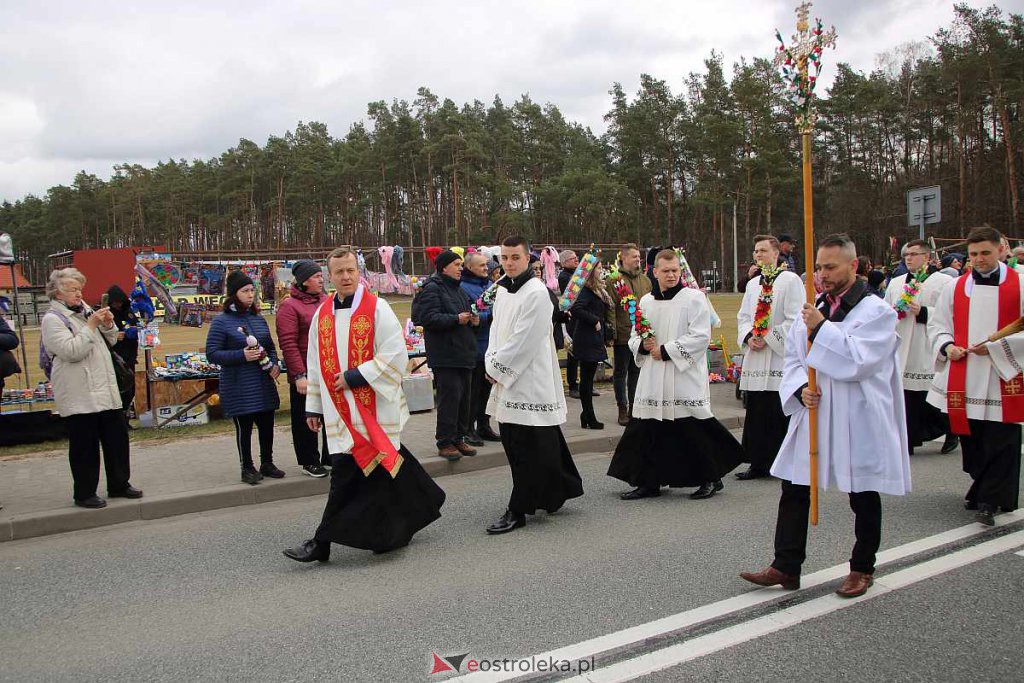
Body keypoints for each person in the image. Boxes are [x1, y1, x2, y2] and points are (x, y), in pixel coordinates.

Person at [740, 234, 910, 599]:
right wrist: (800, 387)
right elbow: (794, 359)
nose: (822, 274)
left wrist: (820, 328)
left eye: (830, 267)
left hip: (856, 413)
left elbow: (859, 361)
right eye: (818, 267)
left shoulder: (875, 311)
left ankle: (862, 567)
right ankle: (786, 564)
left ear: (853, 266)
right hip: (815, 411)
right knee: (795, 485)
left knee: (861, 491)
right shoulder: (813, 308)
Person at [283, 247, 445, 561]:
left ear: (359, 273)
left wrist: (357, 375)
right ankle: (418, 509)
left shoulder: (378, 308)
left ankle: (322, 542)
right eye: (338, 272)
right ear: (329, 276)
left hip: (374, 408)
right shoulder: (323, 314)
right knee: (377, 469)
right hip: (338, 412)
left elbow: (395, 354)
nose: (345, 277)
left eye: (350, 271)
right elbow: (314, 362)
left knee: (348, 474)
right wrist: (313, 406)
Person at [607, 249, 744, 500]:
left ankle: (711, 478)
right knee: (649, 428)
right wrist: (642, 345)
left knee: (692, 427)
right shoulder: (646, 301)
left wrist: (667, 350)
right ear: (654, 272)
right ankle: (649, 481)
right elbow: (636, 334)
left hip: (683, 373)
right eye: (666, 271)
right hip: (653, 374)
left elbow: (701, 336)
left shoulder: (694, 299)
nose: (671, 275)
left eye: (675, 271)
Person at [484, 236, 584, 534]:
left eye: (515, 257)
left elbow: (525, 340)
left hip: (529, 378)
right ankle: (559, 489)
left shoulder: (537, 293)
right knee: (534, 442)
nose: (509, 263)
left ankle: (519, 508)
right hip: (506, 373)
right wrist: (491, 361)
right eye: (504, 257)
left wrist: (496, 369)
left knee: (524, 445)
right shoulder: (502, 290)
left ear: (528, 258)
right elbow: (497, 331)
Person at [927, 226, 1024, 526]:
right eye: (973, 254)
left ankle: (991, 499)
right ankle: (981, 484)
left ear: (1001, 250)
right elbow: (938, 324)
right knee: (973, 438)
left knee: (1002, 438)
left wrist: (998, 348)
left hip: (1004, 373)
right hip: (965, 372)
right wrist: (948, 345)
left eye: (985, 253)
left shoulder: (1020, 285)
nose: (979, 259)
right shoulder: (955, 287)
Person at [41, 268, 142, 508]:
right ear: (57, 293)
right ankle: (84, 492)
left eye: (79, 289)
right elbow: (72, 351)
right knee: (84, 444)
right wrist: (91, 325)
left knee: (116, 438)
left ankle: (119, 483)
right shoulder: (53, 319)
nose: (78, 293)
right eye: (72, 289)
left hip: (104, 386)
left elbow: (111, 339)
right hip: (79, 390)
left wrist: (107, 325)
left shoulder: (86, 310)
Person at [735, 235, 804, 480]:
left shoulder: (790, 281)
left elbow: (795, 319)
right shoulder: (754, 284)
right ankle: (757, 462)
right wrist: (749, 336)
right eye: (756, 251)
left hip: (777, 357)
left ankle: (782, 463)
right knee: (756, 411)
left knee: (777, 411)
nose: (758, 255)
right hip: (756, 356)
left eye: (763, 250)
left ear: (776, 254)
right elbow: (743, 316)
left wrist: (769, 336)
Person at [205, 270, 283, 485]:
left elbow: (270, 346)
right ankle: (247, 467)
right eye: (245, 291)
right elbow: (212, 353)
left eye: (252, 291)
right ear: (234, 294)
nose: (250, 295)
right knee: (245, 428)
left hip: (263, 383)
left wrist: (275, 365)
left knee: (267, 425)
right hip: (239, 385)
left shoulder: (258, 319)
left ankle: (267, 462)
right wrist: (241, 355)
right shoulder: (222, 321)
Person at [883, 240, 956, 456]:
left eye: (914, 254)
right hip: (903, 342)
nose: (908, 257)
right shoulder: (896, 283)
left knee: (928, 396)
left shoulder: (942, 281)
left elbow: (948, 314)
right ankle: (909, 438)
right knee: (905, 396)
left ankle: (950, 430)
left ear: (926, 257)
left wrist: (922, 311)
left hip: (925, 342)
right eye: (907, 254)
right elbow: (886, 309)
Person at [413, 249, 479, 460]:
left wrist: (472, 320)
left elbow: (463, 316)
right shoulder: (432, 288)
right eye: (457, 265)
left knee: (464, 400)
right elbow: (427, 318)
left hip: (464, 353)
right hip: (446, 355)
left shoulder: (458, 290)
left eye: (461, 265)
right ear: (444, 267)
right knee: (450, 400)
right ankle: (445, 442)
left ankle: (459, 437)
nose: (461, 268)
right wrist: (455, 319)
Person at [276, 260, 331, 477]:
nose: (321, 279)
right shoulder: (289, 306)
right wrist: (299, 375)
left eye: (321, 276)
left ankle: (331, 456)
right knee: (305, 418)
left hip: (327, 370)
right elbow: (288, 343)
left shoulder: (326, 301)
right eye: (317, 276)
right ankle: (309, 460)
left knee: (331, 415)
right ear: (304, 280)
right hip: (305, 374)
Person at [605, 243, 652, 426]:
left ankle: (634, 407)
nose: (638, 260)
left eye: (639, 257)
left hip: (641, 336)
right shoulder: (613, 280)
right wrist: (612, 333)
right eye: (634, 257)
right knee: (620, 373)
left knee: (636, 372)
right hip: (623, 335)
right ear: (623, 258)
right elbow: (610, 309)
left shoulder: (645, 280)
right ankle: (622, 409)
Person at [460, 252, 500, 442]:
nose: (486, 268)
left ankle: (484, 425)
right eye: (482, 265)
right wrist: (489, 317)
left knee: (487, 390)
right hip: (475, 347)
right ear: (470, 268)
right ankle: (468, 428)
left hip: (491, 347)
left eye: (486, 265)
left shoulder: (490, 286)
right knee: (473, 392)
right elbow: (472, 315)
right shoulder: (463, 288)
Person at [569, 261, 612, 429]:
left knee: (588, 379)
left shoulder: (597, 289)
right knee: (586, 379)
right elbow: (576, 309)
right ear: (591, 271)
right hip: (587, 338)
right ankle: (588, 414)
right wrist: (594, 321)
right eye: (599, 268)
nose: (602, 271)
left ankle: (586, 414)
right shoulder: (586, 290)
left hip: (594, 338)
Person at [105, 285, 139, 419]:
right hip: (114, 358)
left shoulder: (129, 311)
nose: (118, 305)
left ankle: (125, 416)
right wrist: (114, 336)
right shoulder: (106, 313)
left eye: (120, 302)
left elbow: (138, 325)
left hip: (130, 356)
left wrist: (133, 331)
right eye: (115, 302)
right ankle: (118, 418)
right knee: (118, 390)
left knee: (130, 389)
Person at [557, 249, 585, 399]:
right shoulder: (564, 276)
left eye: (577, 258)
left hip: (581, 315)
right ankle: (572, 384)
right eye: (573, 259)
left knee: (582, 350)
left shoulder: (576, 274)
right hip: (571, 317)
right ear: (565, 262)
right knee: (573, 352)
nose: (577, 260)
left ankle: (584, 384)